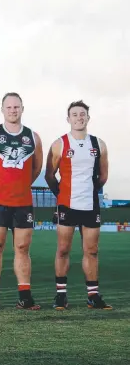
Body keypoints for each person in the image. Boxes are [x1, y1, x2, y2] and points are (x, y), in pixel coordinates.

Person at [0, 92, 43, 310]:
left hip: (23, 202)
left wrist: (21, 185)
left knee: (22, 247)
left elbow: (37, 167)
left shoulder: (33, 137)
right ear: (2, 109)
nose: (13, 110)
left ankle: (24, 297)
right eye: (9, 107)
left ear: (23, 109)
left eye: (17, 107)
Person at [45, 100, 112, 310]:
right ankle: (60, 296)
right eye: (74, 115)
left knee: (91, 251)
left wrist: (89, 191)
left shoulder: (99, 144)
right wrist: (62, 193)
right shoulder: (60, 144)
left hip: (90, 205)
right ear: (68, 119)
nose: (79, 118)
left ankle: (93, 296)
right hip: (66, 205)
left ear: (88, 118)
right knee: (63, 249)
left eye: (82, 114)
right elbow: (49, 175)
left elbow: (103, 177)